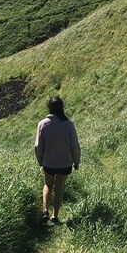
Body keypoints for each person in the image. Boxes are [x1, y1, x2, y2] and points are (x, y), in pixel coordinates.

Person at [34, 96, 81, 225]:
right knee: (59, 188)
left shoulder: (42, 124)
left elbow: (38, 146)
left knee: (48, 185)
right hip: (65, 163)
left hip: (49, 163)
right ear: (62, 108)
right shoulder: (68, 124)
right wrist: (76, 161)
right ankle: (55, 216)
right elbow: (74, 145)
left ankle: (45, 212)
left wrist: (40, 161)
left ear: (49, 108)